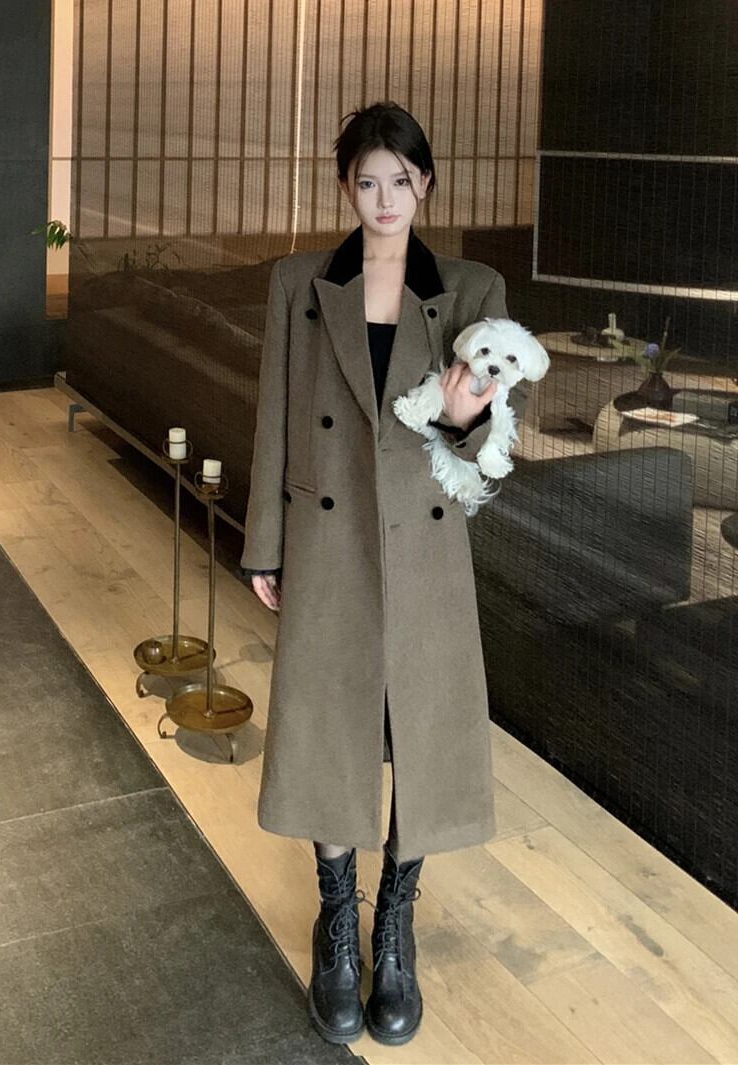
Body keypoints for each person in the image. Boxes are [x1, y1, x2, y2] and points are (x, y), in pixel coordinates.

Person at [241, 101, 531, 1047]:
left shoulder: (472, 288)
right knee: (330, 718)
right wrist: (265, 543)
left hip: (424, 541)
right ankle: (338, 918)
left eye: (400, 181)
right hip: (328, 540)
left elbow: (496, 434)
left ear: (425, 184)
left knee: (425, 729)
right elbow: (276, 413)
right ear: (345, 187)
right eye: (366, 181)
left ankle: (394, 922)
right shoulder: (299, 281)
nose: (383, 199)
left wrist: (461, 415)